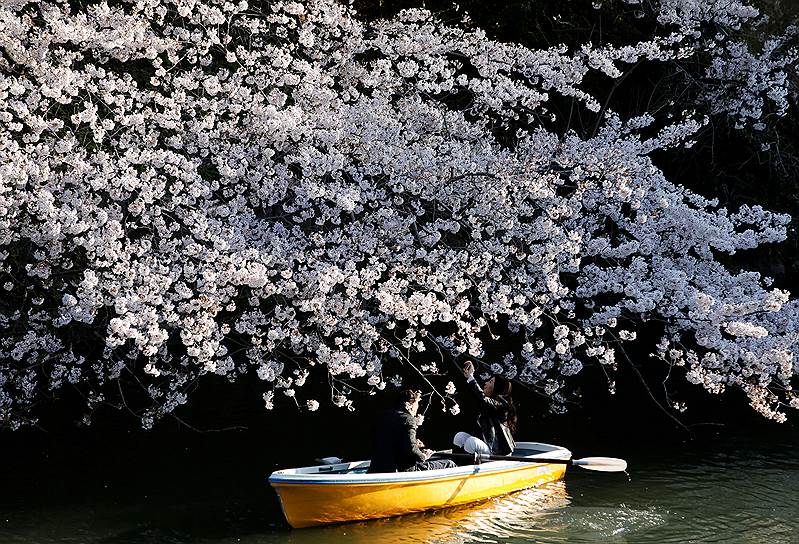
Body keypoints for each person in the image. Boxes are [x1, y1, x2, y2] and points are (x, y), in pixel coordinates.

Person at [368, 389, 457, 473]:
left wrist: (414, 443)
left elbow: (390, 443)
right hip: (401, 470)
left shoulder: (383, 418)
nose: (417, 408)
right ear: (409, 405)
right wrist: (424, 456)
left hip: (376, 468)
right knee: (449, 464)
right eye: (416, 404)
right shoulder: (409, 419)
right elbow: (411, 450)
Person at [460, 361, 517, 456]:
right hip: (487, 445)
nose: (486, 383)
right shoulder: (487, 403)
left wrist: (471, 377)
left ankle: (468, 467)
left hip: (499, 451)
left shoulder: (501, 405)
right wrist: (468, 375)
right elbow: (480, 397)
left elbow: (482, 398)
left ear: (497, 388)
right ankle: (455, 464)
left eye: (491, 382)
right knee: (460, 437)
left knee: (471, 442)